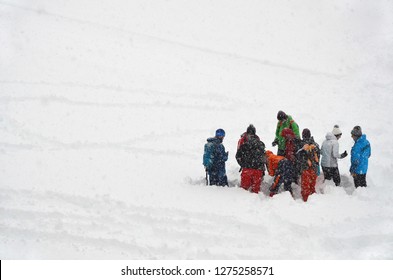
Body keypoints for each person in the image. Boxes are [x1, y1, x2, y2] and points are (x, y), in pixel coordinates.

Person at [235, 125, 266, 193]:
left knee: (244, 189)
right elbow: (263, 157)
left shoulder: (244, 144)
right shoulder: (260, 143)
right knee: (255, 189)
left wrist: (243, 164)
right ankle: (255, 199)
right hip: (257, 169)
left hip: (248, 169)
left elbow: (238, 155)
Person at [297, 129, 320, 202]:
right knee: (312, 185)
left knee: (305, 186)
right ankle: (314, 199)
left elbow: (298, 156)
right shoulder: (315, 144)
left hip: (305, 168)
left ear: (303, 135)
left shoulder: (301, 144)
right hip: (314, 168)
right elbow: (318, 156)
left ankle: (306, 201)